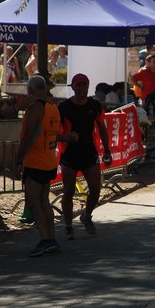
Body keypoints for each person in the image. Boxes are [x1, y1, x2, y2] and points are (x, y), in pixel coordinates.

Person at [58, 73, 112, 239]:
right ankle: (68, 226)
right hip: (70, 154)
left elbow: (102, 128)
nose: (81, 88)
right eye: (78, 85)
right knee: (68, 191)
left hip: (90, 152)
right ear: (73, 87)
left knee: (96, 190)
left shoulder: (95, 105)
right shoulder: (64, 107)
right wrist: (66, 137)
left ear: (88, 87)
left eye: (84, 85)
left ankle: (86, 215)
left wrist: (107, 150)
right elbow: (53, 132)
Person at [15, 75, 61, 257]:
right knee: (44, 201)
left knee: (34, 203)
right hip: (48, 161)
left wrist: (19, 160)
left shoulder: (35, 109)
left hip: (35, 162)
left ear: (30, 91)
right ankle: (51, 238)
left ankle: (45, 240)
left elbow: (28, 137)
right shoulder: (52, 108)